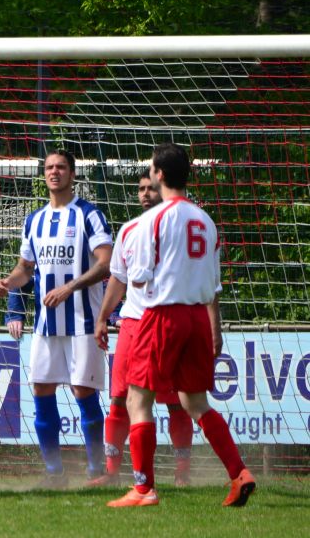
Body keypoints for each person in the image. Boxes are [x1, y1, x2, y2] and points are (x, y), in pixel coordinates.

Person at [106, 143, 255, 508]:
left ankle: (144, 489)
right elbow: (213, 284)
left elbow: (138, 278)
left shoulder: (152, 220)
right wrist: (215, 328)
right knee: (195, 401)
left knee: (139, 398)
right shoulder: (205, 221)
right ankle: (239, 473)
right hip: (198, 318)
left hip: (163, 316)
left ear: (158, 175)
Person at [0, 149, 113, 488]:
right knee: (41, 389)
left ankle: (95, 473)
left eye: (61, 167)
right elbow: (25, 268)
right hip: (46, 325)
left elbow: (106, 263)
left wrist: (69, 288)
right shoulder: (34, 220)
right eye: (49, 167)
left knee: (82, 391)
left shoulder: (89, 215)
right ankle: (54, 474)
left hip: (84, 322)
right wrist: (7, 282)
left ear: (73, 174)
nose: (54, 172)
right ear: (43, 175)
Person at [92, 169, 194, 487]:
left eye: (151, 188)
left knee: (176, 400)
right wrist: (103, 316)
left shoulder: (179, 228)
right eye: (140, 189)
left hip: (168, 323)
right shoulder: (129, 230)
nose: (145, 193)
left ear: (162, 188)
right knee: (119, 398)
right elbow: (119, 280)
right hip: (132, 325)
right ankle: (112, 472)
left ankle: (181, 473)